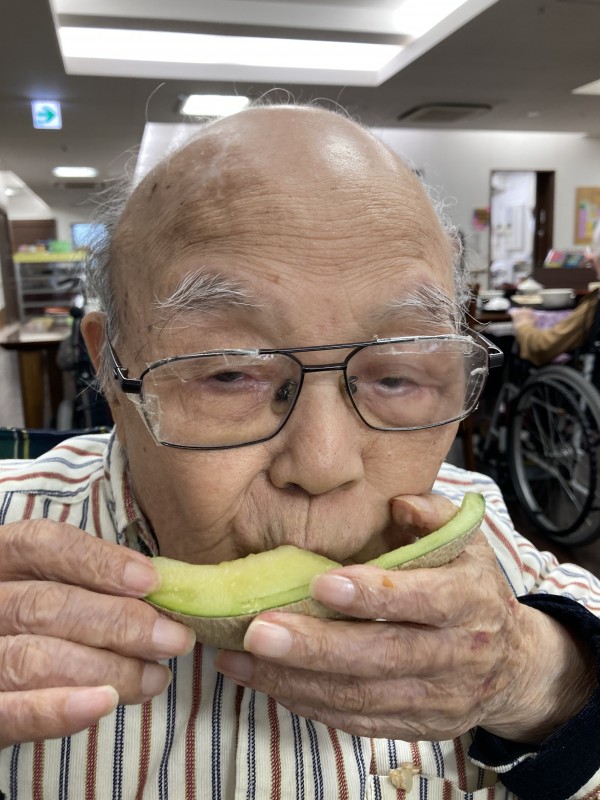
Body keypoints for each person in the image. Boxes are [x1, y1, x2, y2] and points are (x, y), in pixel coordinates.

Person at [1, 105, 600, 800]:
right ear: (111, 369)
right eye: (229, 373)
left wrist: (540, 678)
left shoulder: (479, 532)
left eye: (396, 375)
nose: (322, 464)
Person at [510, 220, 600, 366]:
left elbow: (542, 347)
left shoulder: (595, 305)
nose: (589, 257)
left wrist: (524, 324)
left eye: (593, 250)